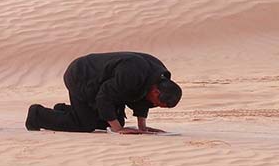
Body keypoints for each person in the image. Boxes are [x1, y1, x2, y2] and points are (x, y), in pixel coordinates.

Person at [25, 52, 182, 134]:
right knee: (85, 124)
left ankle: (63, 110)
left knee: (114, 120)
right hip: (81, 75)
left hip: (103, 81)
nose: (154, 105)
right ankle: (37, 115)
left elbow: (142, 98)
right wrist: (118, 129)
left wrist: (143, 127)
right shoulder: (132, 74)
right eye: (157, 103)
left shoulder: (157, 76)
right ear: (156, 90)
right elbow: (104, 96)